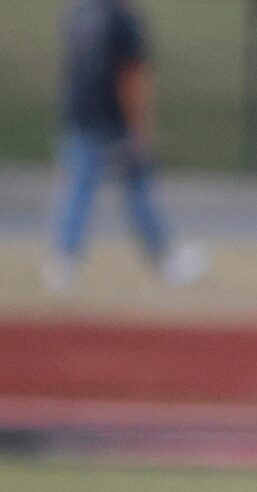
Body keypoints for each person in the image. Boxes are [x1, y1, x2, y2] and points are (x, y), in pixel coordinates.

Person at [47, 0, 204, 293]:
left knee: (79, 190)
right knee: (136, 190)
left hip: (80, 115)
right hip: (114, 122)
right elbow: (132, 77)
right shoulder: (124, 19)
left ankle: (63, 261)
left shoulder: (79, 12)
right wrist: (140, 127)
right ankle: (165, 259)